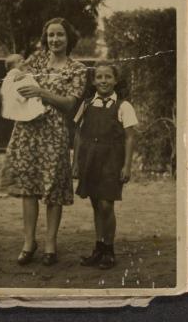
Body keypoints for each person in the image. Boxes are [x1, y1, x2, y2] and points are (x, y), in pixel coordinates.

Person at [0, 17, 87, 266]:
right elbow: (14, 79)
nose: (55, 40)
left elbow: (70, 104)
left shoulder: (77, 69)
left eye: (60, 35)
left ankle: (50, 243)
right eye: (50, 35)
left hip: (54, 132)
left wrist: (41, 92)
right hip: (27, 129)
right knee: (28, 187)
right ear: (45, 38)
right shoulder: (35, 61)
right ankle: (29, 242)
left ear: (69, 39)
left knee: (52, 188)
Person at [73, 60, 138, 269]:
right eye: (99, 77)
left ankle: (109, 250)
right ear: (93, 81)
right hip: (90, 161)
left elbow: (130, 137)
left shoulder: (123, 106)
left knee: (106, 205)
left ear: (115, 80)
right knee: (95, 204)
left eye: (108, 76)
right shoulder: (87, 104)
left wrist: (127, 166)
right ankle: (99, 248)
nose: (103, 81)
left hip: (111, 161)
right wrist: (75, 163)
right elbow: (78, 135)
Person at [0, 53, 45, 122]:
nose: (23, 61)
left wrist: (30, 71)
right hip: (20, 93)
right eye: (19, 61)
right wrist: (26, 72)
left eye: (23, 59)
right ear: (12, 66)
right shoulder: (13, 72)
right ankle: (37, 114)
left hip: (29, 92)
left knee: (33, 102)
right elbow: (17, 77)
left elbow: (33, 75)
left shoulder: (22, 70)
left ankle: (38, 113)